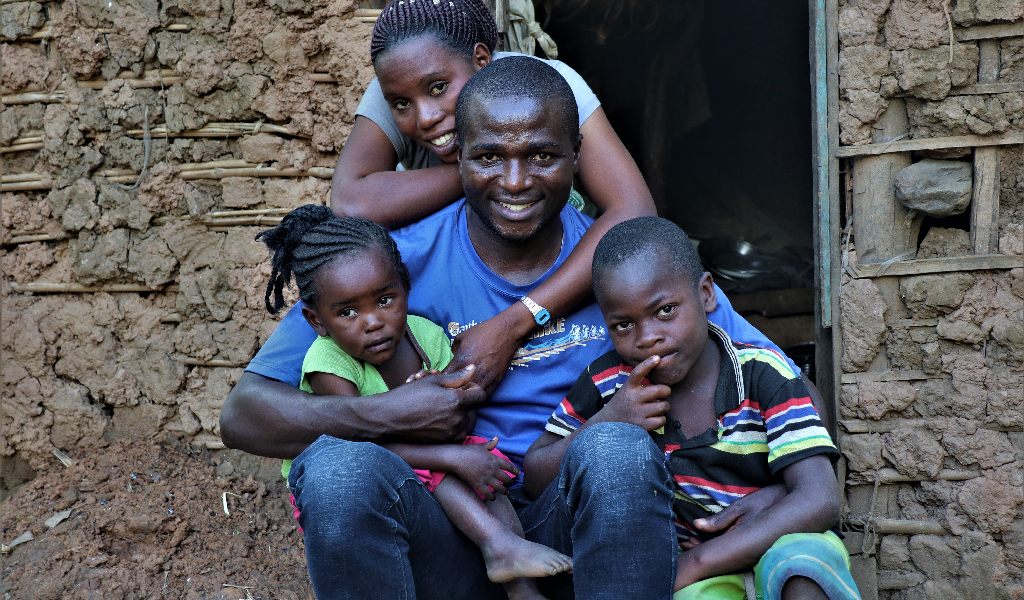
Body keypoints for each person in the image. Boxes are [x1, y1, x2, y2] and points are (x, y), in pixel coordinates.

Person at [221, 57, 801, 599]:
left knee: (617, 448)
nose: (516, 181)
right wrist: (388, 414)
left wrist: (782, 494)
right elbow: (244, 415)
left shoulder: (628, 266)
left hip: (581, 531)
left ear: (576, 155)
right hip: (449, 529)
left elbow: (780, 383)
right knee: (337, 470)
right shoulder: (391, 269)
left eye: (542, 156)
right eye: (489, 157)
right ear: (458, 157)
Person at [524, 216, 860, 600]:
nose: (648, 337)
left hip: (775, 542)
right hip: (695, 578)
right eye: (623, 325)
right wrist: (608, 420)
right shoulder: (611, 384)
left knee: (803, 569)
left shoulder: (762, 374)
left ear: (705, 294)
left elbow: (819, 498)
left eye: (665, 310)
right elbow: (534, 477)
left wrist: (697, 562)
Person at [331, 0, 657, 393]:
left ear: (482, 61)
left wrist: (515, 322)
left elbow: (634, 211)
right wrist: (480, 173)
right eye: (403, 104)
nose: (426, 117)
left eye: (439, 88)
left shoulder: (541, 85)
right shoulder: (401, 79)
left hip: (558, 265)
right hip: (457, 266)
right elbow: (351, 203)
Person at [254, 205, 572, 598]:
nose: (372, 321)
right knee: (445, 467)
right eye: (348, 312)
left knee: (488, 468)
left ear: (405, 288)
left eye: (385, 300)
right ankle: (497, 544)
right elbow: (354, 442)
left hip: (423, 467)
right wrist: (450, 456)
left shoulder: (426, 335)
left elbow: (458, 420)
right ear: (317, 321)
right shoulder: (328, 361)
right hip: (368, 475)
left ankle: (521, 585)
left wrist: (448, 401)